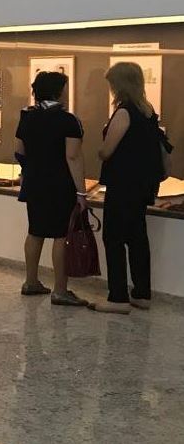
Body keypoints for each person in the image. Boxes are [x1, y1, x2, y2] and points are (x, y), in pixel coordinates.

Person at [92, 62, 172, 314]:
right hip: (142, 187)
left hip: (122, 185)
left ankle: (117, 297)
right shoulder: (147, 112)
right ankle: (141, 294)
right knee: (137, 238)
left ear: (119, 84)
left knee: (114, 239)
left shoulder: (124, 112)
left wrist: (99, 150)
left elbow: (107, 151)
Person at [15, 71, 89, 306]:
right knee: (61, 235)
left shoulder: (27, 117)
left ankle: (31, 282)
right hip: (60, 185)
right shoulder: (68, 121)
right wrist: (81, 192)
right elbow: (73, 157)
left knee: (35, 231)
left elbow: (19, 151)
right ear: (59, 91)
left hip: (34, 182)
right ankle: (60, 290)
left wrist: (30, 171)